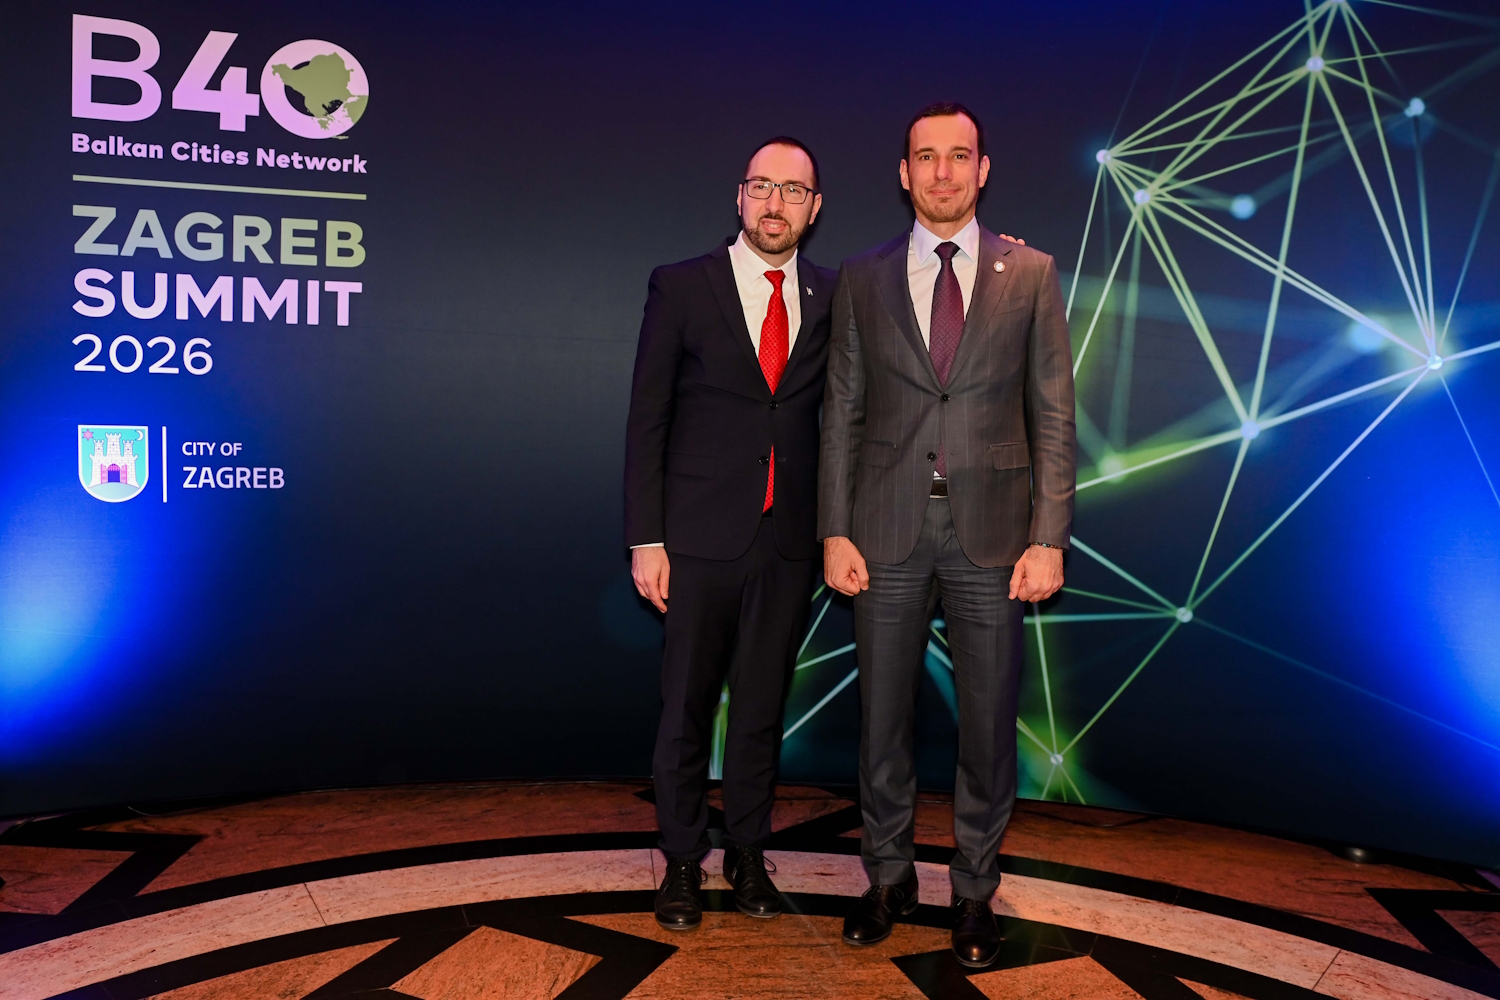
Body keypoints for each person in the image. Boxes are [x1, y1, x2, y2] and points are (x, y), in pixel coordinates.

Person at [818, 102, 1076, 967]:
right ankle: (887, 878)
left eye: (958, 156)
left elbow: (1053, 413)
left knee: (988, 728)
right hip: (882, 533)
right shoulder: (862, 275)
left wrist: (1049, 535)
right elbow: (841, 412)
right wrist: (833, 530)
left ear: (983, 169)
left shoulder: (1030, 272)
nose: (942, 172)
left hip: (994, 538)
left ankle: (973, 891)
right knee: (881, 723)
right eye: (925, 157)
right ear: (903, 173)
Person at [623, 137, 838, 930]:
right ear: (739, 196)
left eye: (794, 190)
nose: (776, 203)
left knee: (760, 708)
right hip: (695, 540)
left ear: (814, 208)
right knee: (685, 706)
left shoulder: (834, 294)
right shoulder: (682, 285)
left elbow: (907, 307)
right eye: (762, 186)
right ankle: (682, 859)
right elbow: (648, 417)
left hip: (788, 542)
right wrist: (646, 539)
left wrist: (994, 259)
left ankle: (748, 852)